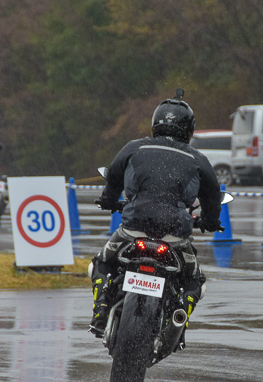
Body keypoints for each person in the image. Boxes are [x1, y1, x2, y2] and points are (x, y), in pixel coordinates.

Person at [89, 89, 223, 337]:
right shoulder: (197, 159)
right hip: (175, 234)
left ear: (155, 122)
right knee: (194, 280)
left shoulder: (135, 147)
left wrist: (108, 201)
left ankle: (101, 308)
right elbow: (213, 195)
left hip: (134, 228)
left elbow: (114, 177)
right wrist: (211, 221)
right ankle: (179, 317)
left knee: (102, 262)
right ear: (189, 129)